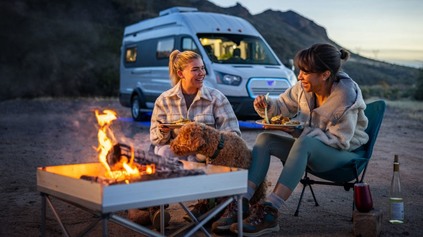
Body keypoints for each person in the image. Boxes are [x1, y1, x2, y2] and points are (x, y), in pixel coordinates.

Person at [212, 43, 369, 236]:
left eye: (305, 72)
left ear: (325, 74)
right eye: (299, 70)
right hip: (308, 148)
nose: (300, 76)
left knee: (304, 142)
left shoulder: (345, 98)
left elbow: (339, 140)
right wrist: (266, 105)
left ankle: (270, 212)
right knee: (265, 139)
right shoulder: (304, 88)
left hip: (343, 155)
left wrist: (298, 130)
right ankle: (242, 201)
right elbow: (282, 106)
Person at [149, 49, 241, 223]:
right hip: (178, 153)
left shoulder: (216, 98)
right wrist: (164, 130)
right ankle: (158, 206)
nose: (202, 74)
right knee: (161, 152)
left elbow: (233, 133)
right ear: (180, 73)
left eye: (203, 68)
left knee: (210, 156)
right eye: (195, 70)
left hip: (206, 155)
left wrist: (211, 140)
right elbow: (155, 139)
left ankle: (206, 204)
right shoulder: (164, 100)